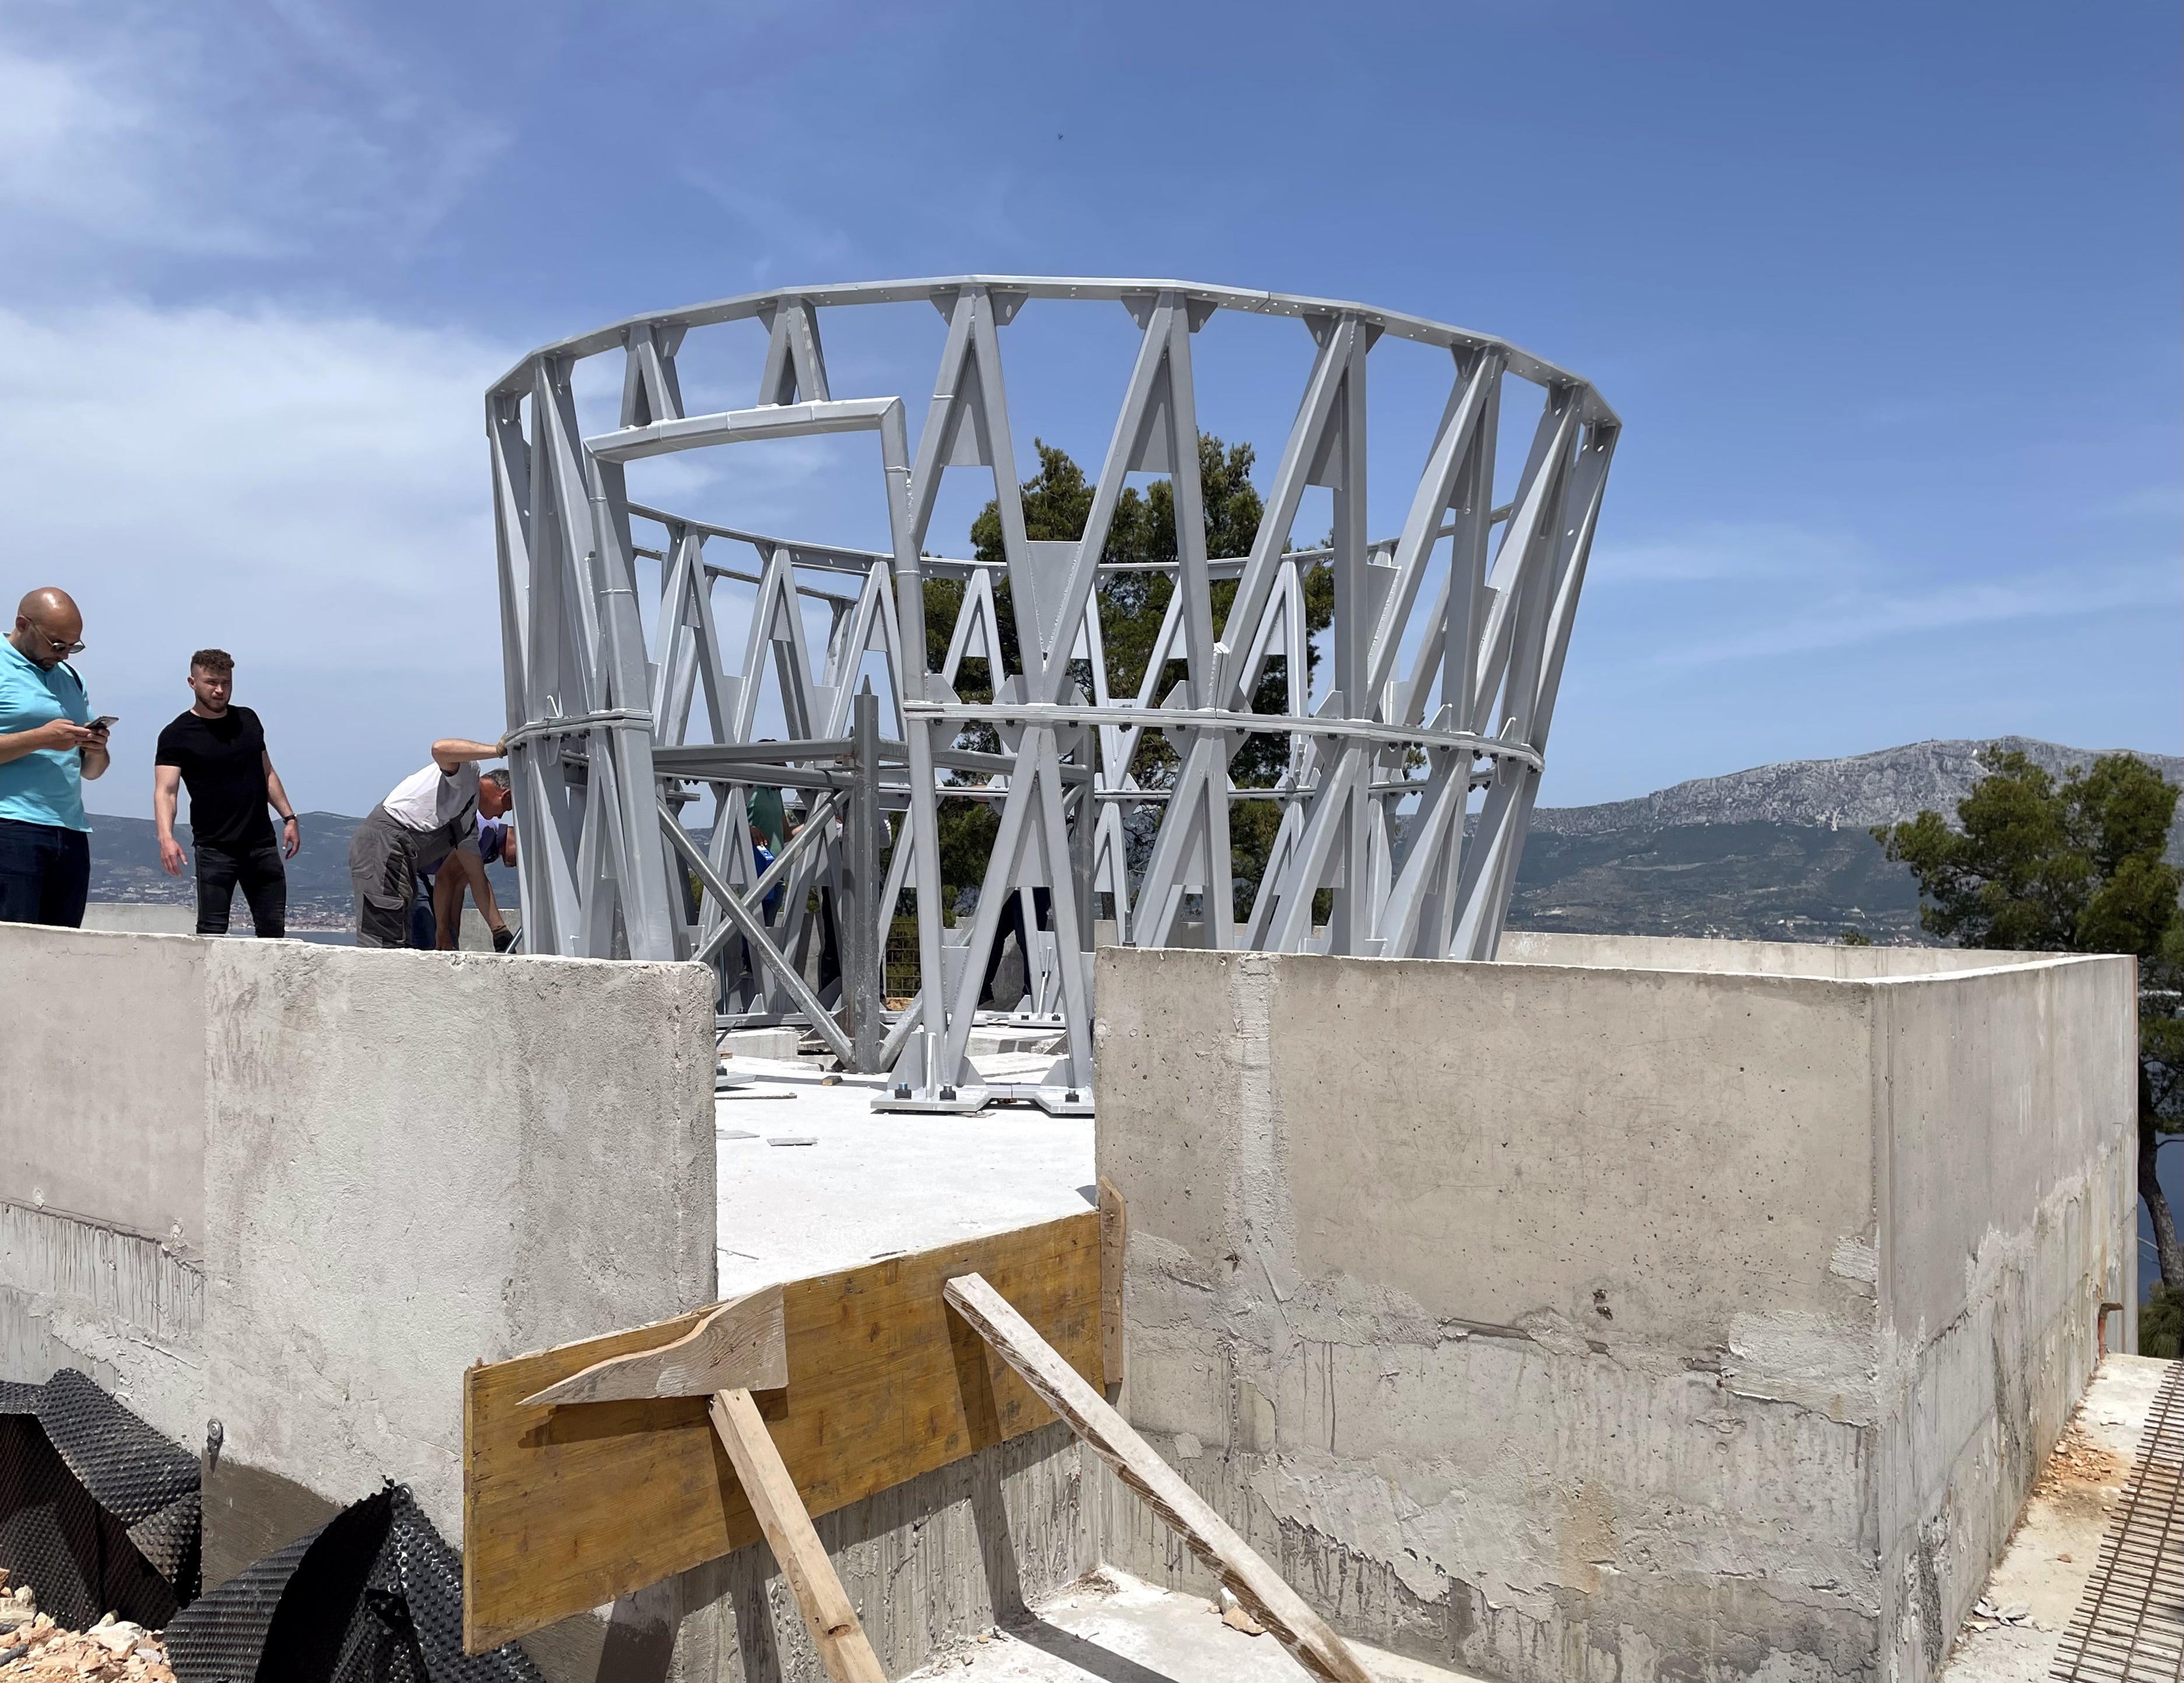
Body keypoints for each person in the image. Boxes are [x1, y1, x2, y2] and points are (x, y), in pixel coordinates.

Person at [153, 649, 300, 938]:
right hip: (215, 848)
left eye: (226, 683)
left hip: (261, 845)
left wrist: (289, 817)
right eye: (211, 682)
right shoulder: (176, 734)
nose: (220, 690)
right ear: (193, 683)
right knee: (212, 933)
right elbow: (166, 792)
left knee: (274, 932)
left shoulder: (248, 720)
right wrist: (166, 838)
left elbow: (267, 772)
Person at [0, 587, 108, 926]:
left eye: (73, 647)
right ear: (23, 624)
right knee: (13, 946)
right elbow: (47, 739)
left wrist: (97, 749)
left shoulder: (72, 678)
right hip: (10, 826)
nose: (64, 656)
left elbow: (92, 772)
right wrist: (41, 738)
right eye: (57, 645)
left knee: (61, 949)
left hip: (70, 829)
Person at [347, 739, 511, 949]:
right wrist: (496, 751)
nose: (502, 816)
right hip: (384, 846)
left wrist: (499, 931)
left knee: (399, 939)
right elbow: (440, 749)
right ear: (506, 795)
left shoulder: (467, 825)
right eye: (508, 808)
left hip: (399, 856)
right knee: (383, 941)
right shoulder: (468, 773)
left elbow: (477, 877)